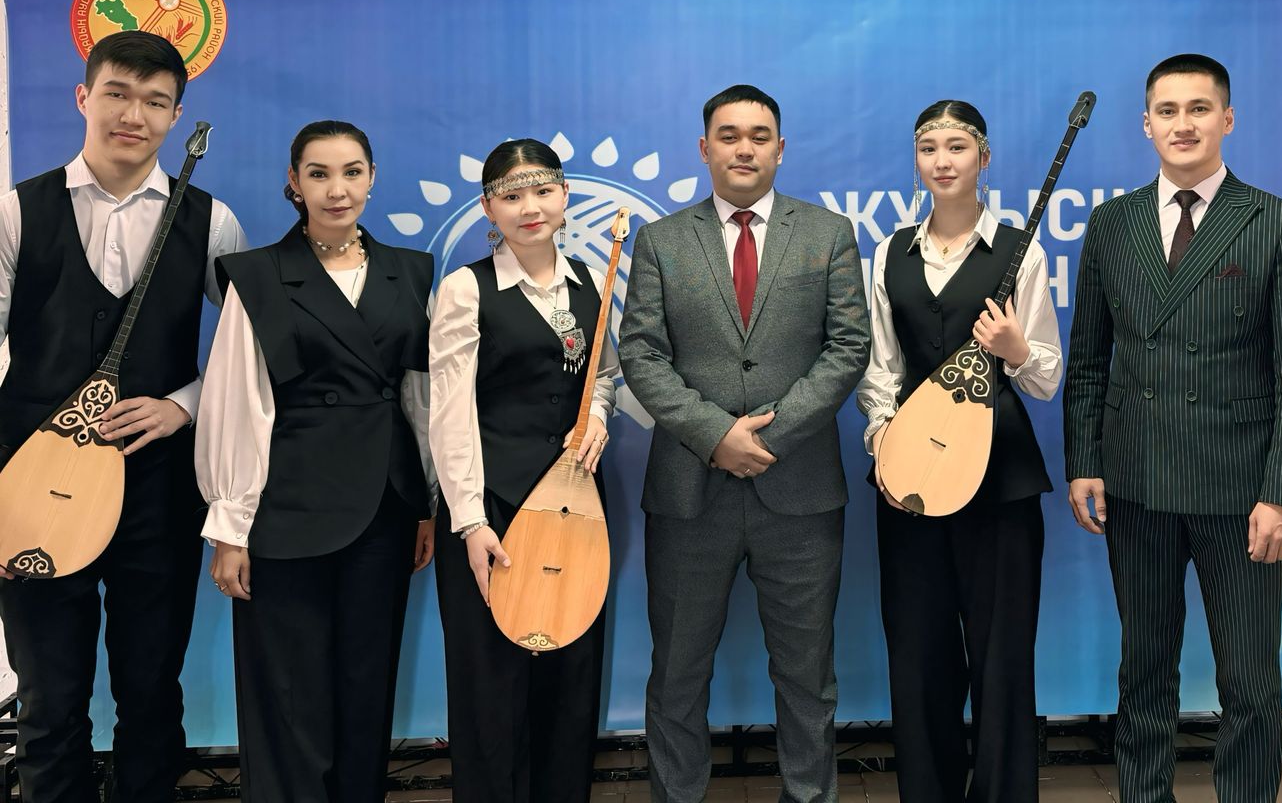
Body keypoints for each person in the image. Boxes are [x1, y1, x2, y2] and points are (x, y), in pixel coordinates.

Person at [1064, 54, 1282, 803]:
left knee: (1250, 681)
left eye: (1199, 109)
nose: (1183, 124)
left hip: (1241, 493)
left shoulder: (1278, 223)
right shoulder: (1112, 224)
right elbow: (1089, 358)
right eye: (1168, 111)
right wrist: (1084, 461)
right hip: (1137, 484)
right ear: (1146, 124)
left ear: (1227, 119)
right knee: (1144, 671)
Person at [0, 31, 245, 803]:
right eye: (117, 93)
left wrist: (182, 406)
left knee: (151, 691)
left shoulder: (211, 220)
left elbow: (250, 357)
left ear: (175, 117)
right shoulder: (16, 213)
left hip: (157, 493)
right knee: (47, 698)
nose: (133, 115)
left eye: (154, 101)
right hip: (31, 492)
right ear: (84, 97)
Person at [619, 84, 871, 803]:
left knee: (807, 676)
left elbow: (848, 348)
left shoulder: (827, 233)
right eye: (728, 136)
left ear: (780, 149)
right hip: (689, 492)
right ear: (704, 149)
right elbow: (641, 354)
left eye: (759, 136)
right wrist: (715, 436)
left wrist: (767, 435)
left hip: (800, 491)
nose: (744, 149)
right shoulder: (662, 241)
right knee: (677, 674)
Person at [195, 120, 435, 803]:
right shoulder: (257, 276)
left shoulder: (410, 270)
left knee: (367, 684)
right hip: (286, 511)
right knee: (288, 695)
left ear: (372, 178)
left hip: (384, 508)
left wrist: (424, 501)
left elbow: (419, 397)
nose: (338, 189)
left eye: (352, 172)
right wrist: (231, 525)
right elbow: (236, 401)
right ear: (294, 183)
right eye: (320, 174)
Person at [858, 100, 1062, 802]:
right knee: (918, 654)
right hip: (910, 480)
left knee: (1003, 658)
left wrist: (1015, 349)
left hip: (1000, 479)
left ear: (984, 158)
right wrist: (884, 441)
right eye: (928, 148)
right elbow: (880, 371)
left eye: (957, 147)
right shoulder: (889, 252)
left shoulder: (1020, 250)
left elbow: (1046, 377)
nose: (942, 161)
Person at [428, 138, 618, 803]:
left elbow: (603, 374)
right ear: (489, 208)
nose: (529, 207)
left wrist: (597, 417)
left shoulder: (591, 280)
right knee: (491, 687)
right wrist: (470, 521)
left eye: (542, 191)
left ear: (565, 196)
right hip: (495, 513)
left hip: (577, 509)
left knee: (569, 680)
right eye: (511, 195)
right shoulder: (466, 288)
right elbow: (448, 414)